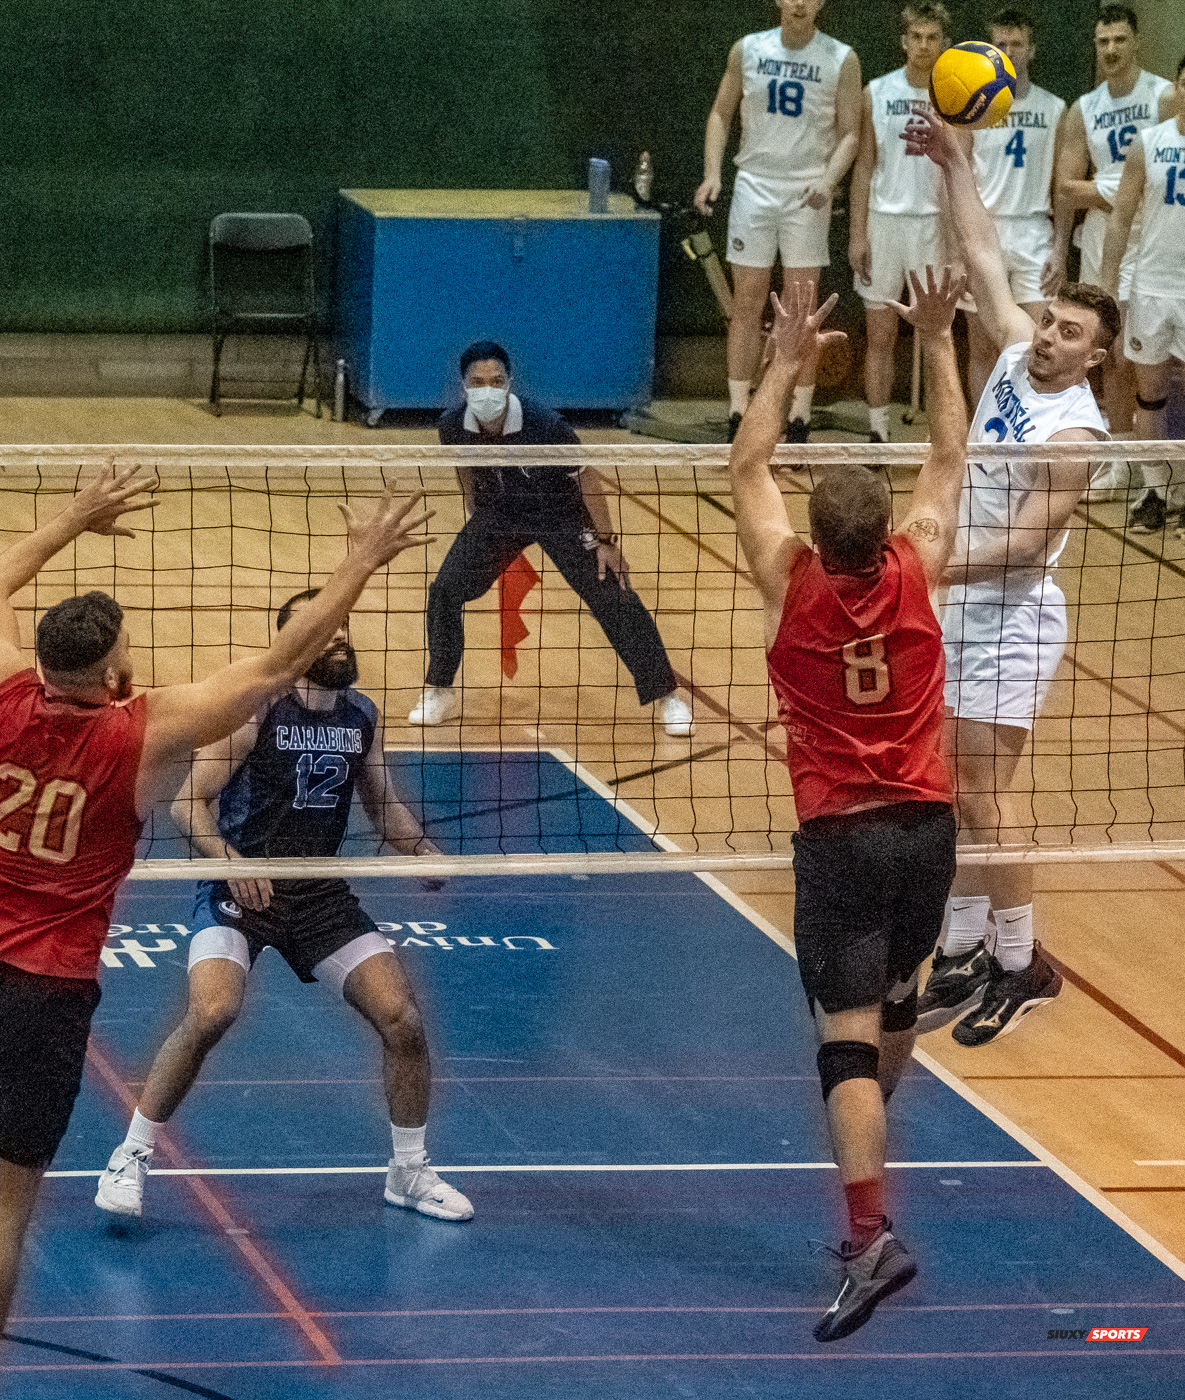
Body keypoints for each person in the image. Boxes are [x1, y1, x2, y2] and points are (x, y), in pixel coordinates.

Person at [0, 464, 433, 1328]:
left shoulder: (6, 690)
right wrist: (361, 562)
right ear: (113, 671)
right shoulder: (145, 735)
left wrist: (73, 517)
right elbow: (283, 660)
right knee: (7, 1211)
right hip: (42, 991)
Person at [730, 269, 969, 1340]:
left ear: (819, 541)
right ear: (885, 535)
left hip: (842, 836)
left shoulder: (791, 584)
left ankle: (871, 1235)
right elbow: (951, 455)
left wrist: (786, 358)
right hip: (928, 832)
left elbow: (747, 462)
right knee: (900, 999)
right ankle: (873, 1154)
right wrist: (935, 338)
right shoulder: (920, 564)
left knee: (845, 1040)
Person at [95, 590, 472, 1224]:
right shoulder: (255, 713)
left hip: (318, 894)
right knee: (213, 1010)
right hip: (241, 887)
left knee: (402, 1019)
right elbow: (188, 803)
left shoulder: (360, 716)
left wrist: (422, 850)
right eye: (321, 631)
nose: (338, 638)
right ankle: (131, 1155)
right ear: (291, 645)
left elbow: (383, 807)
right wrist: (232, 864)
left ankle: (408, 1170)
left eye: (342, 628)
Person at [905, 109, 1115, 1046]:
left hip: (1012, 616)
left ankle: (1022, 961)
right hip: (957, 602)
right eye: (1051, 322)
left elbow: (1030, 545)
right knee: (943, 787)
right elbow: (984, 248)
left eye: (1068, 334)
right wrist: (954, 161)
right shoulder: (1012, 352)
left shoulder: (1073, 434)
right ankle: (957, 949)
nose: (1047, 338)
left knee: (986, 798)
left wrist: (937, 563)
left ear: (1094, 359)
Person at [408, 341, 693, 734]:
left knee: (612, 592)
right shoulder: (452, 426)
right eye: (478, 382)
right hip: (499, 515)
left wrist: (606, 541)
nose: (487, 389)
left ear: (510, 382)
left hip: (559, 514)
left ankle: (668, 698)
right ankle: (440, 690)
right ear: (463, 386)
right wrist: (475, 514)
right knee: (445, 591)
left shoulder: (546, 425)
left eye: (496, 380)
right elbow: (465, 467)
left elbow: (587, 477)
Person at [694, 0, 861, 442]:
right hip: (754, 184)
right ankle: (738, 410)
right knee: (747, 301)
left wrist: (829, 179)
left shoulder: (841, 58)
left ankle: (800, 415)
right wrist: (713, 172)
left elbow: (851, 133)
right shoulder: (747, 49)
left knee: (803, 308)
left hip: (808, 189)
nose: (800, 3)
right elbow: (719, 113)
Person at [1045, 4, 1171, 462]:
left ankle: (1156, 461)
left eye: (1120, 39)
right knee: (1112, 355)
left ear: (1136, 41)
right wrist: (1060, 251)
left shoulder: (1163, 97)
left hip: (1157, 238)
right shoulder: (1085, 109)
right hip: (1103, 240)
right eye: (1103, 42)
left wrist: (1101, 189)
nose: (1112, 49)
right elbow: (1064, 188)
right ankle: (1118, 457)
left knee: (1155, 361)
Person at [849, 1, 959, 444]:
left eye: (932, 37)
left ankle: (943, 436)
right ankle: (878, 433)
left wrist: (954, 245)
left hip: (931, 225)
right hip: (884, 222)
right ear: (903, 41)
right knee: (880, 335)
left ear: (944, 43)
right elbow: (863, 167)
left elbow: (957, 170)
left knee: (936, 338)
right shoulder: (877, 90)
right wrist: (858, 233)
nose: (923, 45)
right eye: (916, 36)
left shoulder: (954, 95)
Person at [1099, 57, 1185, 536]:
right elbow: (1120, 217)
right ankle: (1154, 491)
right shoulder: (1148, 143)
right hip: (1151, 286)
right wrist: (1109, 285)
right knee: (1149, 395)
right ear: (1177, 86)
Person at [967, 8, 1066, 404]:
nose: (1009, 51)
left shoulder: (1056, 108)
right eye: (1001, 44)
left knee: (1037, 347)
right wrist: (960, 244)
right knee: (981, 347)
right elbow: (956, 178)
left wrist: (1060, 247)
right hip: (984, 229)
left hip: (1033, 231)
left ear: (1032, 49)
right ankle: (981, 440)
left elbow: (1062, 187)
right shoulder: (973, 105)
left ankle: (1027, 441)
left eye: (1017, 44)